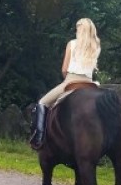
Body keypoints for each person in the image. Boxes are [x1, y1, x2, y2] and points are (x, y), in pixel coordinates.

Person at [28, 18, 100, 149]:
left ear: (81, 30)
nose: (76, 31)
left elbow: (64, 69)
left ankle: (38, 138)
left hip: (72, 80)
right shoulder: (95, 47)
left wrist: (67, 80)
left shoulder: (72, 44)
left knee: (42, 102)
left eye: (77, 28)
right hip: (90, 84)